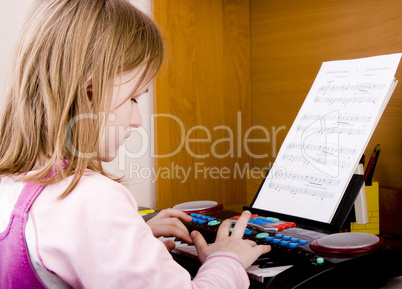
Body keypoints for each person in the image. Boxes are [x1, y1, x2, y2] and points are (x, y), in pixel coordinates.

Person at [0, 0, 271, 288]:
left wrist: (131, 234)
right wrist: (226, 260)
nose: (138, 120)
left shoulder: (12, 185)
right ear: (90, 93)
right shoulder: (91, 200)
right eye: (133, 98)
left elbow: (66, 244)